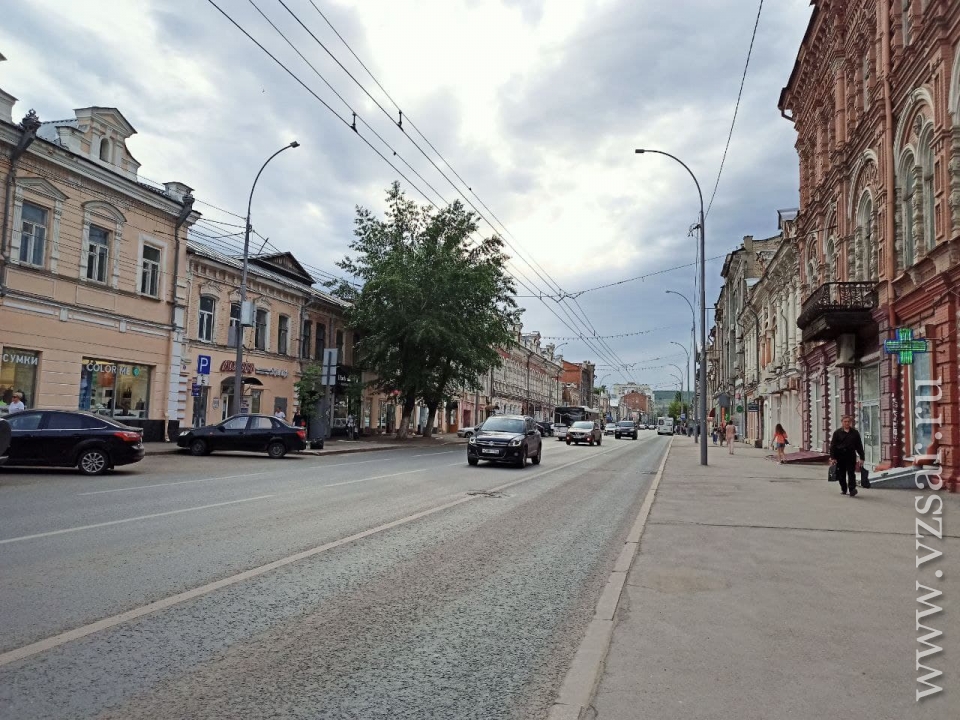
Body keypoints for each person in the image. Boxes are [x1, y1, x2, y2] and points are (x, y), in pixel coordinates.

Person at [830, 414, 865, 497]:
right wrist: (833, 458)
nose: (847, 423)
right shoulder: (837, 433)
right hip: (840, 456)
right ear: (842, 422)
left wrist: (862, 457)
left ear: (851, 423)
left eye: (848, 422)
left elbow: (859, 446)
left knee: (851, 473)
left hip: (850, 456)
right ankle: (844, 488)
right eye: (845, 422)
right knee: (841, 474)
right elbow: (833, 446)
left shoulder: (855, 433)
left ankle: (852, 489)